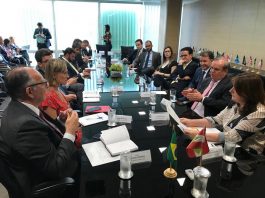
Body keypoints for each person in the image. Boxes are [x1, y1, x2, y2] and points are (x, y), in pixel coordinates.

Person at [0, 67, 79, 197]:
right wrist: (70, 132)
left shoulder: (21, 107)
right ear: (30, 91)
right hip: (56, 177)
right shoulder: (25, 126)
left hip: (50, 160)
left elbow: (45, 131)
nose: (47, 86)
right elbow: (57, 168)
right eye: (43, 83)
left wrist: (61, 120)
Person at [180, 72, 265, 155]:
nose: (230, 90)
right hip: (228, 147)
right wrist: (189, 122)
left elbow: (231, 137)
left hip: (247, 157)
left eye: (235, 89)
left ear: (247, 93)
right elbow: (216, 120)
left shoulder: (259, 113)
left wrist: (199, 135)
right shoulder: (236, 102)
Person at [39, 59, 82, 147]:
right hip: (70, 140)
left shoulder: (56, 89)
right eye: (65, 73)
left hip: (74, 130)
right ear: (54, 75)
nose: (68, 76)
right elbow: (56, 131)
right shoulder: (48, 98)